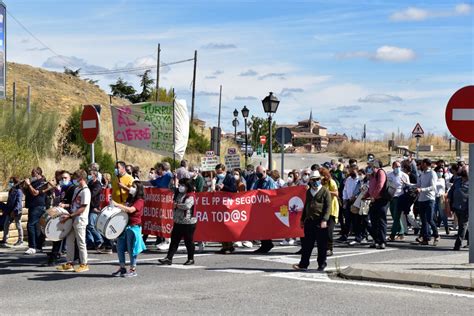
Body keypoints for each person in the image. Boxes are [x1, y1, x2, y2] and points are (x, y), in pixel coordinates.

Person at [293, 170, 331, 272]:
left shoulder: (325, 191)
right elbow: (306, 206)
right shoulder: (309, 192)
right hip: (309, 221)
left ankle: (322, 264)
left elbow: (328, 207)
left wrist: (324, 220)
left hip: (320, 221)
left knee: (321, 245)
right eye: (313, 180)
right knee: (306, 245)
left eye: (317, 179)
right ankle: (303, 264)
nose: (316, 181)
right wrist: (302, 219)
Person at [56, 169, 91, 273]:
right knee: (69, 241)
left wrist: (70, 215)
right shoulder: (77, 189)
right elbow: (74, 204)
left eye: (76, 178)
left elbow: (82, 208)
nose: (74, 180)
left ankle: (84, 264)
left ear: (81, 179)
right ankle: (69, 263)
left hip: (80, 219)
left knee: (81, 242)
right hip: (72, 218)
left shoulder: (86, 191)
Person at [158, 178, 197, 265]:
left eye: (182, 185)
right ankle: (169, 258)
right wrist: (173, 179)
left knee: (188, 241)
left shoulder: (190, 195)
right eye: (180, 185)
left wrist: (176, 205)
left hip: (188, 222)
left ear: (188, 186)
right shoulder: (178, 193)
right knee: (174, 241)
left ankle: (191, 258)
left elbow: (187, 206)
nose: (180, 187)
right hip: (178, 221)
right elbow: (171, 187)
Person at [112, 181, 146, 277]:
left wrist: (117, 204)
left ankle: (132, 269)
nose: (131, 188)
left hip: (134, 226)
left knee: (132, 249)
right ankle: (122, 267)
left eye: (134, 186)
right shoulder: (130, 198)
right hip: (124, 225)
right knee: (120, 247)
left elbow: (131, 210)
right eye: (131, 186)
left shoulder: (140, 200)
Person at [365, 160, 390, 249]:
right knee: (374, 221)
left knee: (381, 221)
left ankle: (382, 241)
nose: (369, 169)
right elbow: (370, 188)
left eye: (370, 167)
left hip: (381, 200)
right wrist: (366, 196)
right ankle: (376, 240)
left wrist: (373, 196)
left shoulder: (381, 172)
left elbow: (380, 185)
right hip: (373, 200)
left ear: (374, 166)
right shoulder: (372, 176)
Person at [414, 158, 440, 246]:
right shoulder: (422, 174)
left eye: (422, 163)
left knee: (429, 219)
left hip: (429, 199)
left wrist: (421, 189)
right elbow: (418, 185)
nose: (420, 165)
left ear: (425, 164)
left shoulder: (432, 173)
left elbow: (433, 187)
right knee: (423, 220)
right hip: (421, 199)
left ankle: (436, 235)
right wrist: (408, 184)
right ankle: (425, 238)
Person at [252, 166, 277, 253]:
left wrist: (262, 192)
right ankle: (265, 244)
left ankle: (267, 244)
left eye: (260, 173)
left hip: (267, 207)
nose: (258, 175)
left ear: (264, 171)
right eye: (257, 173)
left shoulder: (270, 181)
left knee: (265, 227)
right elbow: (252, 191)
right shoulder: (257, 181)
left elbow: (274, 193)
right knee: (260, 227)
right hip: (259, 207)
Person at [23, 167, 48, 255]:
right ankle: (38, 246)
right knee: (36, 226)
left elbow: (35, 193)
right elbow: (28, 193)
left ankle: (32, 246)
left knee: (31, 225)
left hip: (38, 206)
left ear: (38, 174)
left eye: (33, 173)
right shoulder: (34, 182)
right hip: (33, 205)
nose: (31, 175)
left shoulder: (42, 183)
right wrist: (25, 186)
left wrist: (29, 185)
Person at [215, 164, 237, 254]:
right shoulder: (217, 178)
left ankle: (230, 246)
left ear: (224, 170)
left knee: (227, 225)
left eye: (220, 172)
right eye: (217, 172)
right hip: (220, 204)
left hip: (228, 204)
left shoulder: (230, 178)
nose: (218, 173)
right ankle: (224, 246)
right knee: (220, 226)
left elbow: (234, 190)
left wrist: (224, 187)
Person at [447, 166, 469, 250]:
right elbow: (450, 193)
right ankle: (470, 241)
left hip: (466, 208)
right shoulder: (457, 181)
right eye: (462, 170)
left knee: (462, 226)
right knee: (463, 225)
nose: (462, 171)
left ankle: (457, 244)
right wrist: (448, 205)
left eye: (464, 170)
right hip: (456, 207)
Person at [387, 161, 410, 241]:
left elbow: (408, 187)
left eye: (399, 166)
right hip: (391, 197)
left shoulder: (404, 175)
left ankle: (393, 235)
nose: (398, 168)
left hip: (400, 197)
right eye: (396, 166)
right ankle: (401, 232)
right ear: (393, 167)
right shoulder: (389, 175)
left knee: (397, 216)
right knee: (394, 215)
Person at [320, 167, 339, 256]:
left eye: (323, 175)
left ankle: (330, 248)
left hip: (332, 209)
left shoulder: (332, 182)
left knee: (329, 230)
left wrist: (327, 191)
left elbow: (336, 193)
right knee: (322, 231)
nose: (322, 177)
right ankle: (324, 248)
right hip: (323, 209)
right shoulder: (321, 183)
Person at [0, 177, 24, 247]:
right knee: (6, 225)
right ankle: (5, 240)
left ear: (15, 182)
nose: (10, 183)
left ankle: (21, 240)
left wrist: (14, 211)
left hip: (16, 211)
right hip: (9, 211)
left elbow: (19, 203)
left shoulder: (19, 191)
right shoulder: (11, 190)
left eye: (11, 181)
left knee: (18, 225)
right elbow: (9, 202)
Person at [338, 163, 359, 242]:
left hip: (357, 201)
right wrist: (344, 200)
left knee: (356, 220)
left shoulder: (359, 180)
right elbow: (345, 190)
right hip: (349, 201)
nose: (351, 172)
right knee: (347, 219)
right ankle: (345, 235)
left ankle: (358, 236)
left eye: (353, 170)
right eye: (350, 170)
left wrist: (356, 197)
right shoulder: (348, 179)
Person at [86, 170, 104, 250]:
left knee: (91, 225)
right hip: (88, 207)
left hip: (94, 207)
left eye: (90, 174)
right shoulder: (89, 184)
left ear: (95, 176)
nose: (89, 176)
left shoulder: (97, 185)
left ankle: (99, 240)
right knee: (87, 226)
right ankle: (90, 242)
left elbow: (92, 194)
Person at [434, 166, 449, 235]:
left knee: (442, 214)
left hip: (441, 197)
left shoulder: (443, 179)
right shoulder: (433, 179)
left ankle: (446, 228)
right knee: (433, 214)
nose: (440, 172)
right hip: (434, 197)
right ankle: (434, 230)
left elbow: (447, 189)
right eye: (439, 171)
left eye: (441, 171)